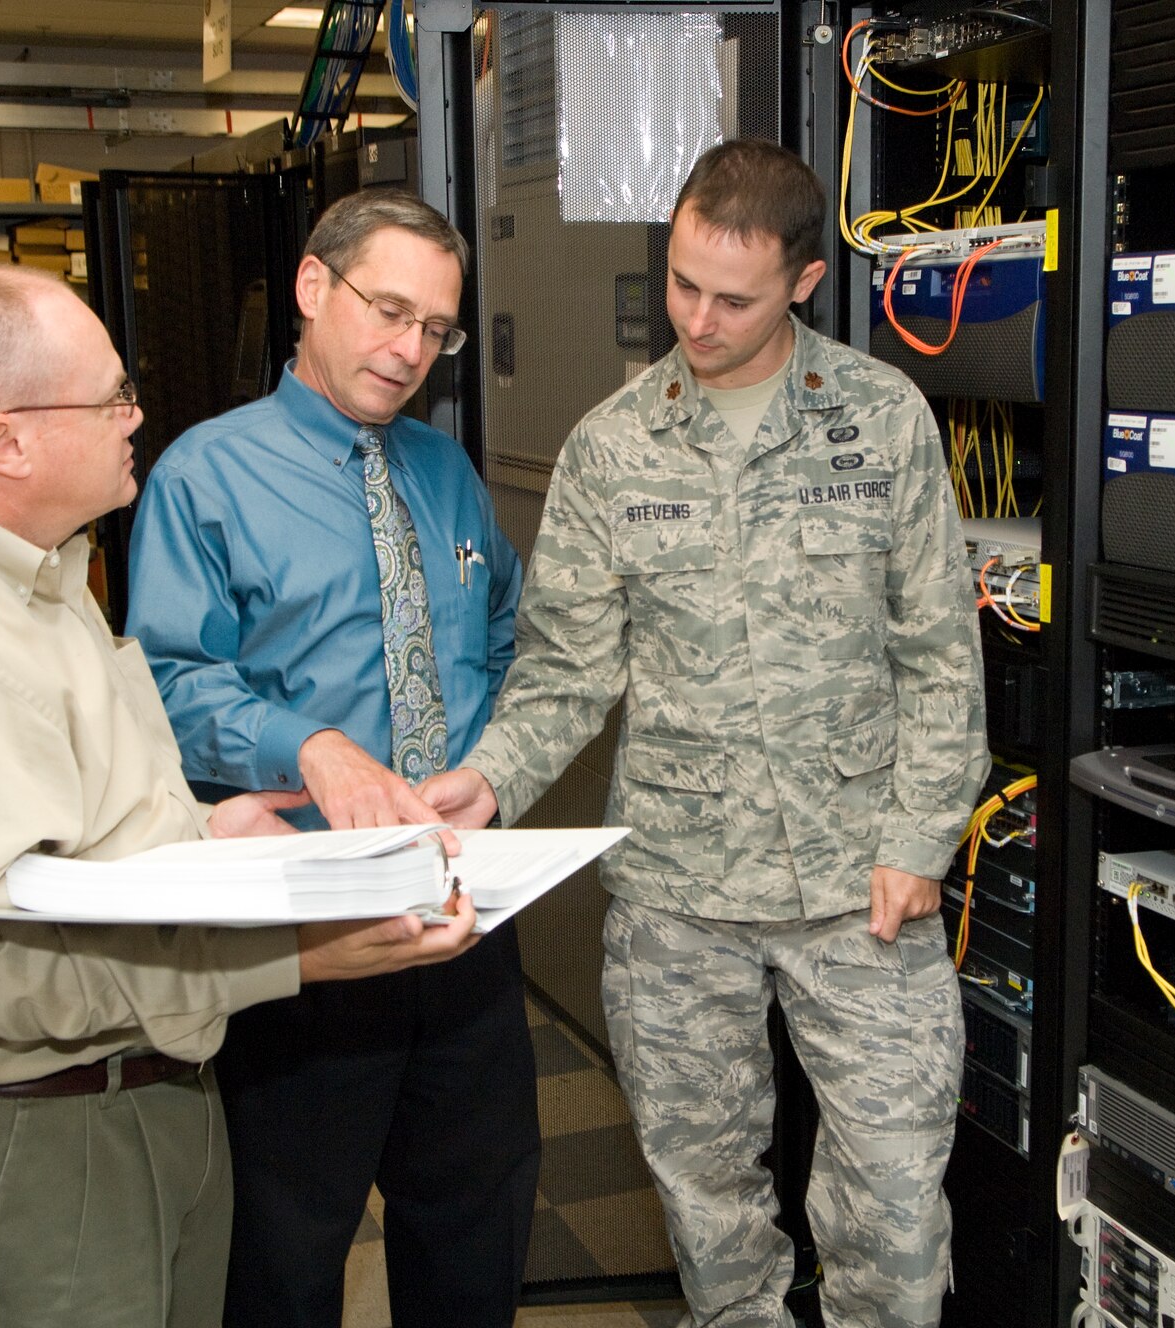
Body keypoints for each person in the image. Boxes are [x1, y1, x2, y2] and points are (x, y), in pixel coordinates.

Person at [0, 262, 480, 1328]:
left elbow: (71, 829)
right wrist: (298, 955)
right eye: (110, 397)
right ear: (7, 441)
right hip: (20, 1155)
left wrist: (206, 828)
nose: (135, 416)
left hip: (128, 1104)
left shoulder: (33, 579)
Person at [422, 140, 990, 1327]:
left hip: (861, 886)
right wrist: (487, 779)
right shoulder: (612, 445)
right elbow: (566, 668)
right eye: (682, 283)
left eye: (732, 297)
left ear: (804, 281)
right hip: (678, 896)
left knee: (893, 1212)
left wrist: (918, 840)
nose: (696, 318)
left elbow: (940, 657)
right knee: (711, 1217)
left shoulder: (879, 418)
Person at [125, 188, 536, 1328]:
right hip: (302, 937)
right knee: (282, 1260)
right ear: (313, 287)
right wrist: (309, 748)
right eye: (389, 311)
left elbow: (507, 631)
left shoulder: (446, 472)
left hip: (460, 923)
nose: (410, 350)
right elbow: (167, 683)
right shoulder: (205, 478)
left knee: (476, 1234)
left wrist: (494, 757)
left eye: (435, 328)